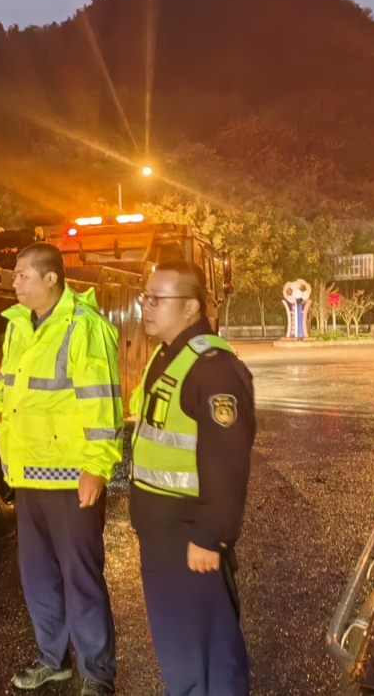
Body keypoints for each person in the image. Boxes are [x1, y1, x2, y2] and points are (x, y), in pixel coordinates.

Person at [0, 242, 124, 696]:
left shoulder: (85, 328)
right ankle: (54, 660)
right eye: (14, 274)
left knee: (81, 578)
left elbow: (102, 403)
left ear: (51, 279)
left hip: (72, 478)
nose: (14, 282)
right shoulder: (18, 328)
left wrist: (97, 467)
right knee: (38, 577)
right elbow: (7, 387)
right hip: (28, 475)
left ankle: (97, 674)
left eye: (22, 274)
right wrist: (0, 425)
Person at [129, 259, 255, 696]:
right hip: (163, 533)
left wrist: (210, 533)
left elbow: (228, 458)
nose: (146, 306)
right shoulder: (169, 356)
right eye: (146, 297)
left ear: (190, 307)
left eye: (157, 299)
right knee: (179, 640)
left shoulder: (213, 367)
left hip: (190, 535)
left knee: (209, 642)